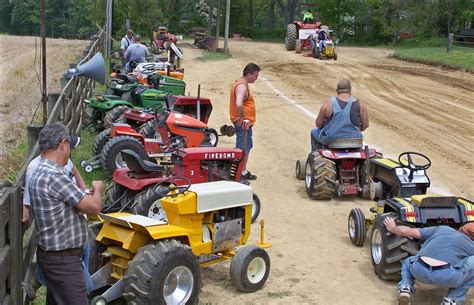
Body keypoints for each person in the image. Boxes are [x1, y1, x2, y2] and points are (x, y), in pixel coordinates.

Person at [29, 122, 103, 305]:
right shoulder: (54, 176)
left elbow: (74, 201)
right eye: (69, 145)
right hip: (63, 262)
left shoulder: (41, 172)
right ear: (63, 144)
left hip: (54, 257)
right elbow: (94, 208)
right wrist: (98, 188)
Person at [384, 218, 474, 305]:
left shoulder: (442, 229)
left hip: (419, 269)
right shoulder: (472, 244)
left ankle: (405, 287)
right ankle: (452, 299)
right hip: (446, 276)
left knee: (407, 262)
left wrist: (393, 228)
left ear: (461, 229)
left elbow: (406, 232)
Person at [310, 79, 369, 150]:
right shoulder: (360, 104)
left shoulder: (328, 103)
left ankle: (316, 154)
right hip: (354, 140)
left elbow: (318, 124)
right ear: (350, 90)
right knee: (358, 144)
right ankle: (357, 154)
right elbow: (365, 125)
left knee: (314, 132)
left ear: (337, 90)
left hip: (332, 139)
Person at [229, 63, 260, 181]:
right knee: (242, 149)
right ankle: (239, 175)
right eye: (255, 75)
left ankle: (243, 171)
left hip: (244, 123)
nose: (256, 78)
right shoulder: (242, 86)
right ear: (249, 74)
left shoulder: (240, 83)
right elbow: (238, 103)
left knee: (246, 147)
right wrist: (241, 118)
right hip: (243, 124)